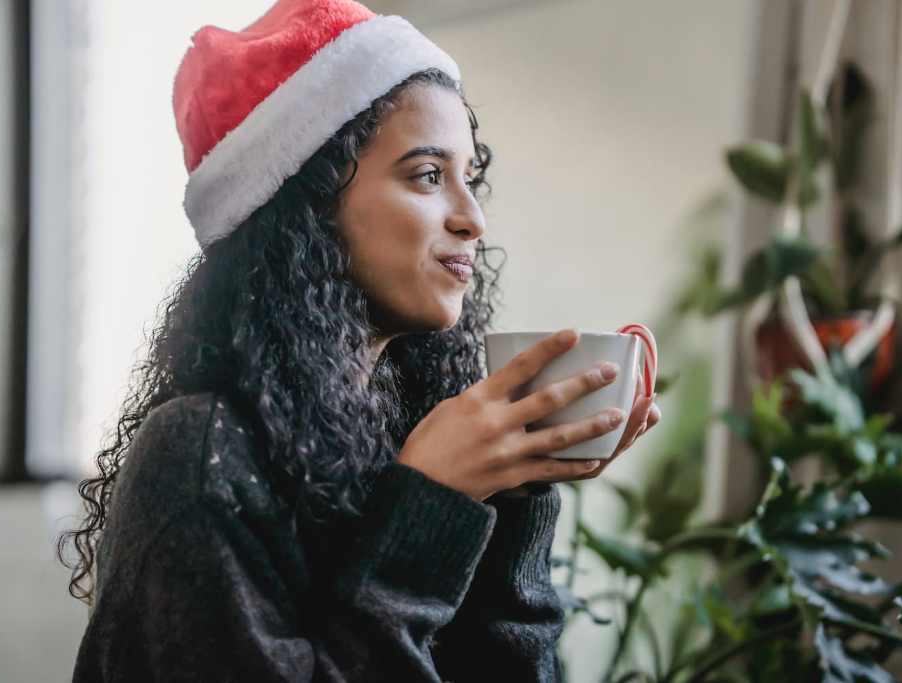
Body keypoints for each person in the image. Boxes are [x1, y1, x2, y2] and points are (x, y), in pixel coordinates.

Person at [60, 1, 661, 681]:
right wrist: (428, 509)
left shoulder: (405, 428)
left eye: (473, 177)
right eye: (428, 175)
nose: (473, 218)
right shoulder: (201, 453)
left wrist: (517, 494)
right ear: (307, 204)